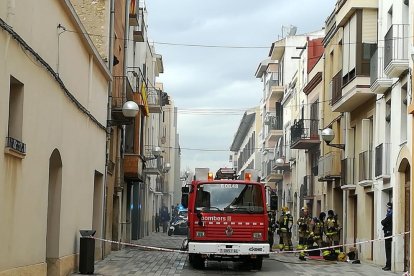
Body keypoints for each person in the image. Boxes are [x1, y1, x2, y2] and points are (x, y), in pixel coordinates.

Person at [381, 202, 393, 271]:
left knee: (388, 251)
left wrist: (383, 221)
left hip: (388, 234)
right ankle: (388, 265)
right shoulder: (390, 214)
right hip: (389, 234)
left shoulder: (390, 215)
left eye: (387, 207)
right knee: (388, 251)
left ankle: (388, 266)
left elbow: (383, 222)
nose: (387, 209)